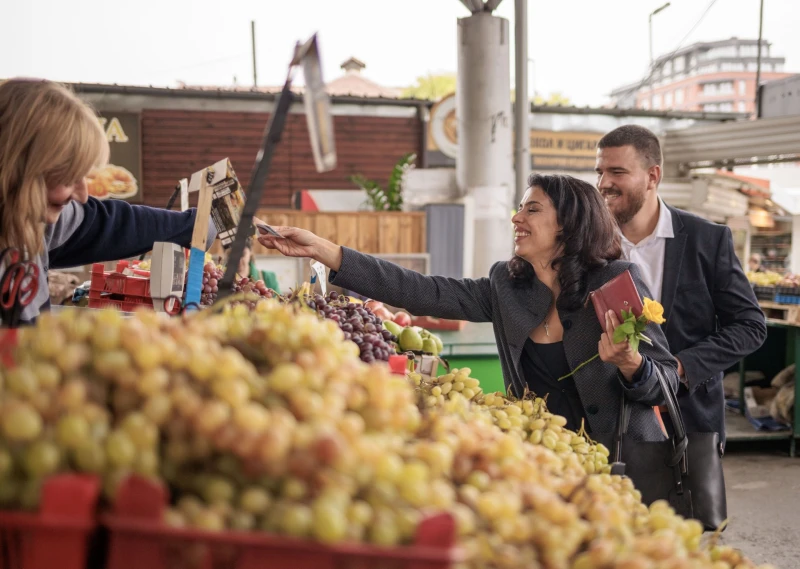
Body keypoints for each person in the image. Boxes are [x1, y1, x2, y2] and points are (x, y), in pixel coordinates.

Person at [257, 173, 680, 444]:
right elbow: (420, 290)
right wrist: (328, 251)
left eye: (532, 209)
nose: (517, 218)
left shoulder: (614, 283)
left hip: (624, 465)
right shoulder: (506, 287)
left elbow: (665, 384)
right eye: (519, 207)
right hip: (545, 462)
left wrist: (631, 364)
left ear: (570, 224)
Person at [595, 125, 767, 453]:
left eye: (617, 171)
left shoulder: (708, 239)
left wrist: (680, 367)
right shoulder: (589, 245)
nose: (604, 183)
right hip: (611, 423)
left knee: (691, 506)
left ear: (652, 175)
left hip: (690, 420)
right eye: (600, 172)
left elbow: (749, 326)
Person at [0, 78, 216, 326]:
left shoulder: (39, 220)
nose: (81, 194)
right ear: (20, 169)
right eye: (69, 176)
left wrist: (194, 225)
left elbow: (112, 224)